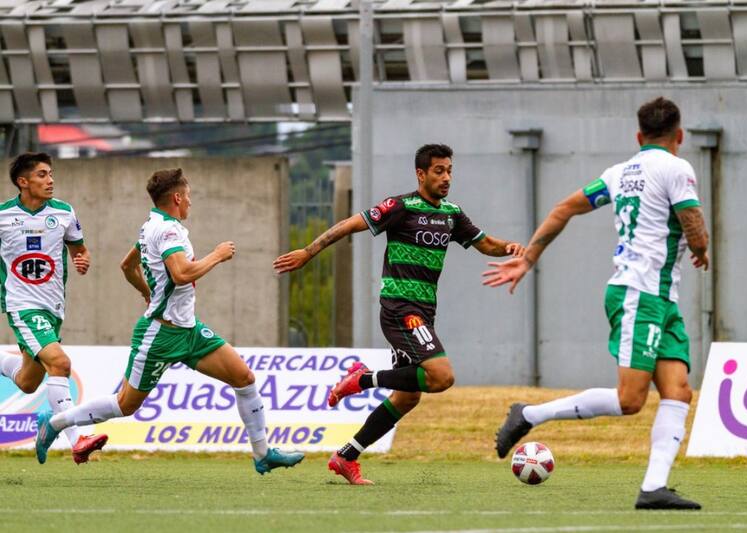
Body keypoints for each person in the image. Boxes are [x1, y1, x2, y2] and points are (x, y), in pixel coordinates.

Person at [484, 97, 709, 510]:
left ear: (639, 137)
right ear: (679, 136)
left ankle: (653, 488)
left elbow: (563, 208)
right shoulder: (678, 168)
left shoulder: (618, 174)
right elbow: (694, 226)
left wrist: (528, 258)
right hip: (640, 294)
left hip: (660, 297)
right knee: (630, 400)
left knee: (678, 391)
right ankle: (530, 414)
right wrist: (701, 248)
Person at [274, 144, 524, 485]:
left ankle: (346, 457)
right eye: (439, 171)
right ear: (421, 174)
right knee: (441, 376)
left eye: (449, 170)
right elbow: (351, 224)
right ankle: (361, 380)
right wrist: (309, 250)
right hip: (400, 310)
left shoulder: (452, 214)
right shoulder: (401, 206)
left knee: (408, 396)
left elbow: (485, 243)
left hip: (424, 312)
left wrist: (512, 249)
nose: (446, 177)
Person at [36, 168, 304, 475]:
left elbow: (127, 266)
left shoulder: (154, 224)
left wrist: (147, 292)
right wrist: (216, 254)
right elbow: (181, 273)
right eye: (188, 196)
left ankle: (262, 454)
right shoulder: (167, 231)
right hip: (160, 335)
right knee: (125, 404)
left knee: (243, 378)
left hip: (189, 331)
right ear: (176, 198)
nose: (190, 202)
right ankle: (55, 422)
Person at [0, 152, 107, 464]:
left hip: (53, 308)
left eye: (51, 174)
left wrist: (82, 259)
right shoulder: (3, 216)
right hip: (20, 305)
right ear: (23, 182)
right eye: (42, 175)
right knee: (60, 364)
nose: (50, 180)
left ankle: (49, 421)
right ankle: (76, 438)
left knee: (28, 382)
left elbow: (79, 248)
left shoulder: (63, 212)